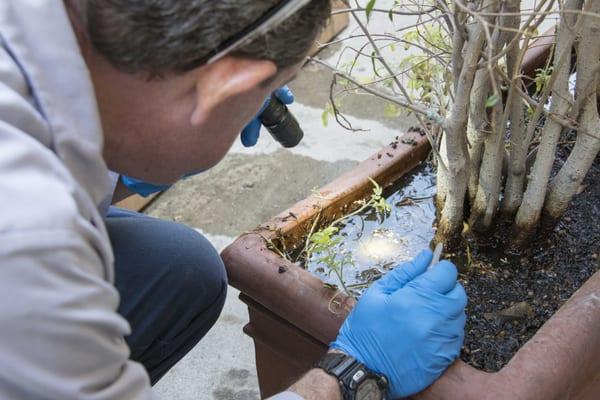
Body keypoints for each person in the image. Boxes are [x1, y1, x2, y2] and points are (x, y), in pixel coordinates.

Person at [0, 1, 467, 399]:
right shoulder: (32, 235)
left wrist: (129, 164)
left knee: (176, 269)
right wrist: (356, 374)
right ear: (226, 84)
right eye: (260, 94)